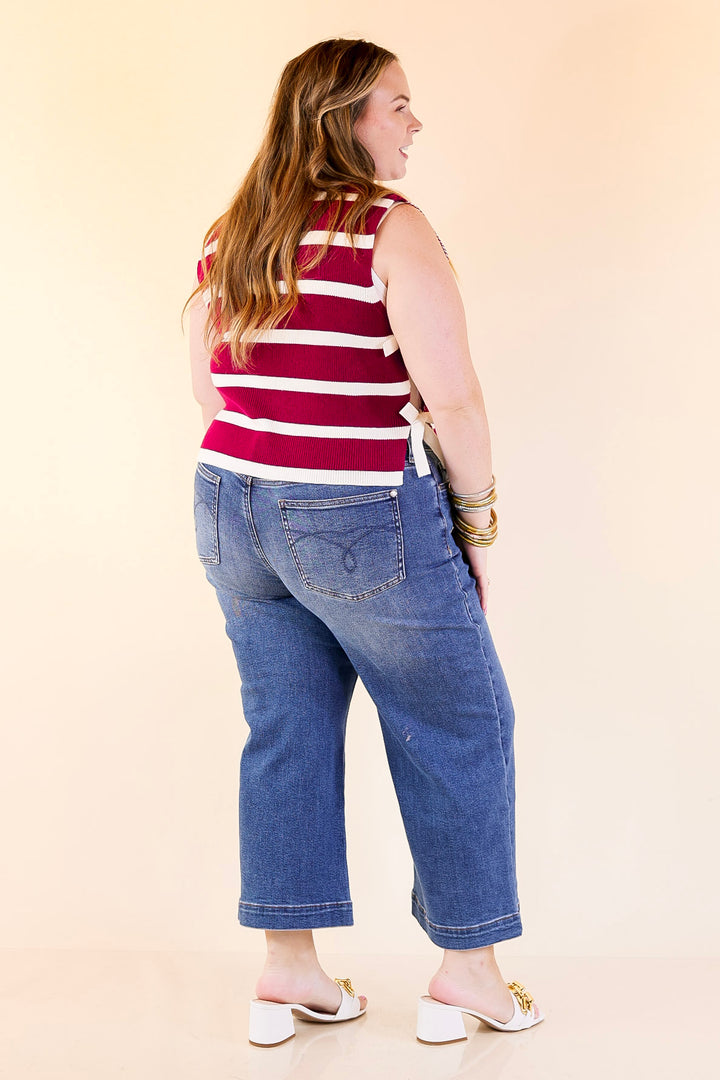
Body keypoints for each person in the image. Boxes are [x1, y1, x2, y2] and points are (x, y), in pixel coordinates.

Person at [185, 37, 545, 1047]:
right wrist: (476, 523)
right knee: (460, 722)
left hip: (230, 506)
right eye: (397, 104)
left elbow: (210, 388)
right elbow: (454, 400)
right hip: (355, 511)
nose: (414, 122)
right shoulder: (389, 226)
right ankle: (468, 974)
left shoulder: (234, 231)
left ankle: (288, 969)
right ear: (341, 117)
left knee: (286, 727)